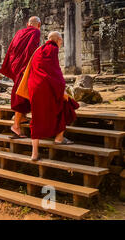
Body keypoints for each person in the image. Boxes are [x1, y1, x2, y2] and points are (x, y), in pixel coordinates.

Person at [28, 31, 75, 161]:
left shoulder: (38, 50)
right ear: (58, 40)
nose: (61, 44)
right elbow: (55, 72)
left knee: (36, 118)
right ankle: (59, 137)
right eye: (61, 41)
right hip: (47, 88)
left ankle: (34, 153)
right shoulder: (53, 49)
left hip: (34, 87)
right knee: (65, 105)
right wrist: (62, 90)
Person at [0, 17, 41, 138]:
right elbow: (31, 51)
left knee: (23, 92)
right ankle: (15, 125)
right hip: (25, 67)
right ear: (39, 24)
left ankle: (22, 117)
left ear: (27, 24)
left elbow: (12, 48)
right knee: (21, 94)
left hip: (16, 65)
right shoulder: (36, 32)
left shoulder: (19, 32)